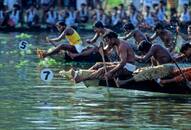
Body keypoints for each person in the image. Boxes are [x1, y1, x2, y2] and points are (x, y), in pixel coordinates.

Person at [62, 31, 137, 83]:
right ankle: (85, 73)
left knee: (102, 69)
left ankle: (83, 78)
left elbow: (123, 63)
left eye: (107, 41)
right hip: (122, 64)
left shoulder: (122, 46)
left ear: (113, 39)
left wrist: (111, 72)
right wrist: (101, 47)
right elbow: (104, 51)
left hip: (128, 67)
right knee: (98, 64)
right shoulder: (114, 43)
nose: (107, 43)